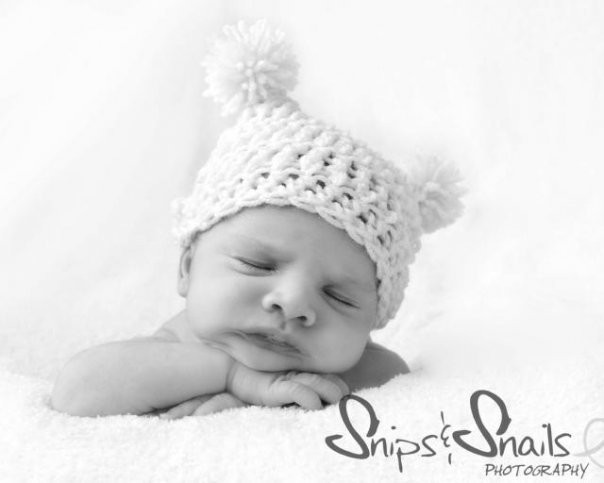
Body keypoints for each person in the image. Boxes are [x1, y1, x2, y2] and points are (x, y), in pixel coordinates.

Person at [51, 19, 465, 418]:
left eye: (340, 297)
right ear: (187, 268)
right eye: (258, 265)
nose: (293, 302)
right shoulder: (170, 349)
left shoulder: (347, 364)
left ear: (372, 322)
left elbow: (390, 373)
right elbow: (76, 390)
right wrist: (234, 377)